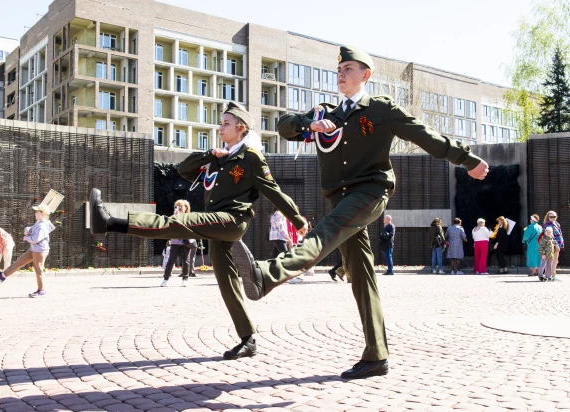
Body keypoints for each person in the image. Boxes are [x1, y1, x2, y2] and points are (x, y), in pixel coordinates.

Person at [232, 45, 489, 379]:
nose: (341, 74)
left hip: (370, 191)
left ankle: (267, 275)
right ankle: (376, 355)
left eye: (349, 68)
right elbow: (284, 127)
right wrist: (311, 125)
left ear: (365, 75)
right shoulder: (325, 111)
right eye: (339, 70)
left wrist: (467, 160)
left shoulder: (381, 108)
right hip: (339, 198)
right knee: (362, 276)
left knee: (325, 231)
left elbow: (425, 136)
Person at [88, 101, 307, 360]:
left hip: (231, 220)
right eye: (221, 122)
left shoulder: (250, 157)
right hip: (217, 224)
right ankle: (248, 340)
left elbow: (273, 191)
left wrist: (297, 220)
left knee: (177, 223)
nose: (220, 127)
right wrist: (209, 156)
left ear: (241, 128)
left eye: (225, 123)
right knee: (227, 282)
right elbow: (184, 170)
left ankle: (110, 222)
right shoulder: (218, 159)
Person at [0, 204, 56, 298]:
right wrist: (28, 230)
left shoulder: (42, 225)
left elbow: (36, 238)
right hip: (34, 248)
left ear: (42, 213)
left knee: (38, 269)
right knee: (20, 261)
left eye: (37, 211)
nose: (35, 213)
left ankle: (41, 290)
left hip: (40, 250)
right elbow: (33, 231)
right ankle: (3, 275)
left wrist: (27, 237)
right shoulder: (39, 222)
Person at [160, 199, 196, 287]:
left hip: (185, 241)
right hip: (175, 241)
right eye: (177, 206)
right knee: (171, 260)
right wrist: (175, 216)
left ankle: (185, 279)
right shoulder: (173, 216)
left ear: (186, 208)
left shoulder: (188, 217)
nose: (179, 208)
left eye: (181, 206)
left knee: (186, 261)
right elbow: (170, 226)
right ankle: (165, 279)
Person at [542, 211, 564, 279]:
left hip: (558, 244)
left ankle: (550, 275)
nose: (553, 218)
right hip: (551, 245)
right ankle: (551, 275)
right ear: (548, 217)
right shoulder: (548, 225)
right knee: (552, 260)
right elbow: (550, 236)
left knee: (555, 260)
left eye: (554, 216)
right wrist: (556, 245)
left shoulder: (556, 223)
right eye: (551, 217)